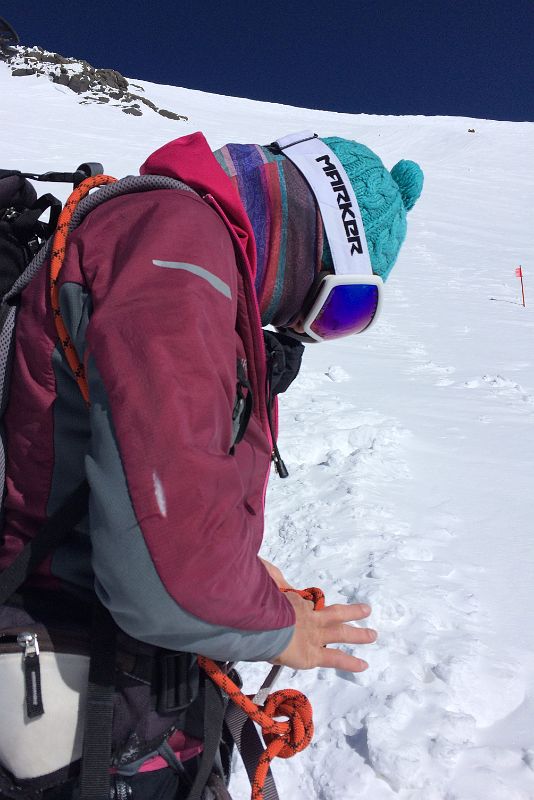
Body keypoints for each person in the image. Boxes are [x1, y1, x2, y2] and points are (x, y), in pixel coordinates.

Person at [0, 130, 423, 799]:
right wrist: (283, 630)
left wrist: (239, 570)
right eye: (343, 305)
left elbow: (145, 483)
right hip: (86, 685)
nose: (305, 330)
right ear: (315, 235)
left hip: (102, 660)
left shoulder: (170, 237)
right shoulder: (179, 243)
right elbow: (166, 581)